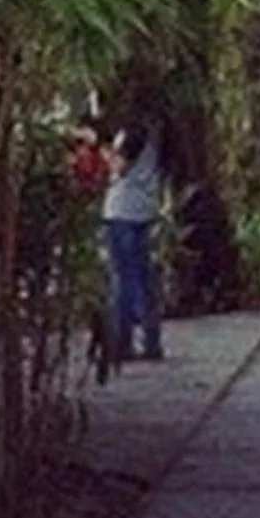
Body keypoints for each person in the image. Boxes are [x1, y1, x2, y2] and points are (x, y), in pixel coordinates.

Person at [99, 121, 165, 364]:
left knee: (124, 280)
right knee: (142, 278)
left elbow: (120, 166)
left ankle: (123, 342)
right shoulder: (154, 136)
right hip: (141, 212)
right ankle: (150, 340)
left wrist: (101, 149)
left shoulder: (134, 133)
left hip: (122, 212)